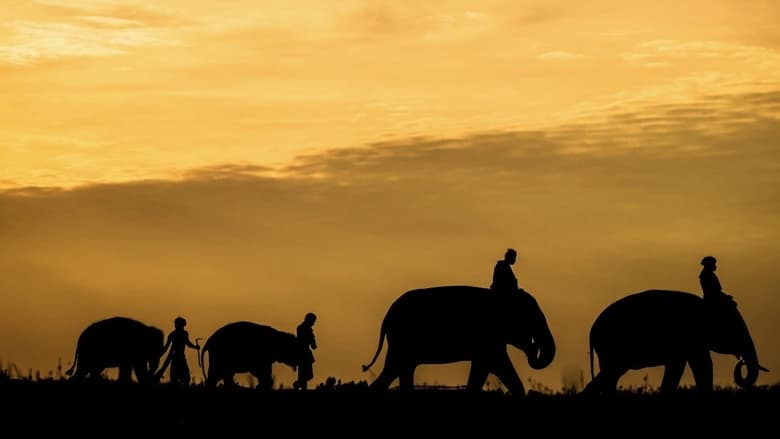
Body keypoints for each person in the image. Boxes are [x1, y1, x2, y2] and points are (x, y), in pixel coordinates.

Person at [156, 317, 200, 385]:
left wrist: (195, 347)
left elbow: (187, 343)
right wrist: (195, 347)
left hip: (179, 358)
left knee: (184, 378)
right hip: (177, 358)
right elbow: (166, 348)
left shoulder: (176, 334)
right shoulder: (176, 334)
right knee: (179, 378)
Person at [293, 312, 317, 390]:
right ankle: (298, 385)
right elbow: (308, 340)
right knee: (306, 375)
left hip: (302, 353)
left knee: (305, 375)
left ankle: (300, 385)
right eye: (313, 321)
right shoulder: (304, 329)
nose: (313, 323)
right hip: (303, 354)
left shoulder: (302, 328)